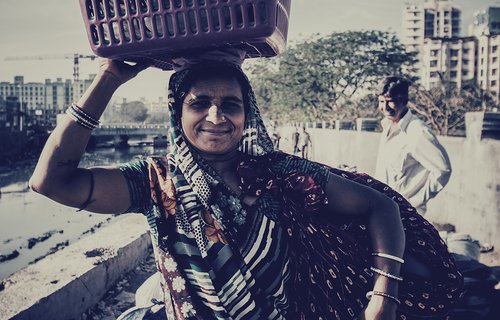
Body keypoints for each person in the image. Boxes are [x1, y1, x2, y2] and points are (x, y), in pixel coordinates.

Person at [30, 53, 462, 320]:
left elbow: (380, 207)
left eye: (230, 105)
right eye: (199, 103)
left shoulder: (277, 172)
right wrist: (109, 78)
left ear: (246, 114)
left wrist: (383, 295)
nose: (216, 116)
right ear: (177, 113)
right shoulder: (154, 182)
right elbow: (51, 181)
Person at [374, 76, 452, 216]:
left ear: (404, 101)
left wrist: (415, 200)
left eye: (390, 102)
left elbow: (443, 170)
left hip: (405, 214)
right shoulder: (387, 126)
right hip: (384, 210)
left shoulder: (417, 132)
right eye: (381, 101)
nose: (385, 108)